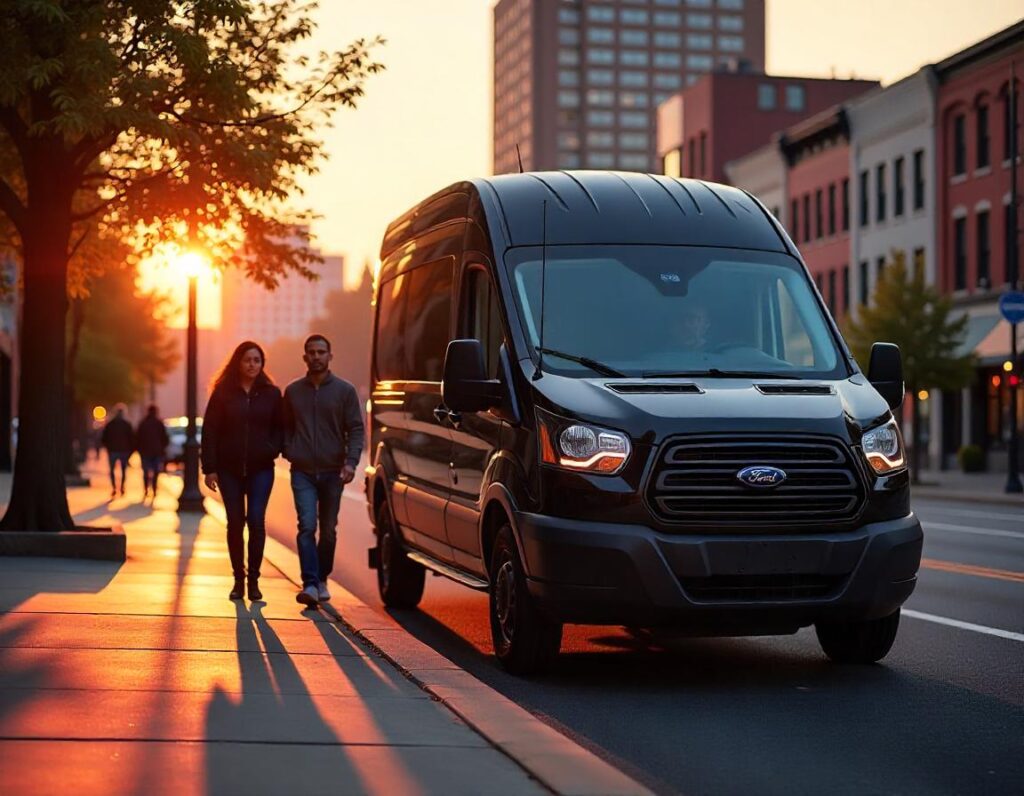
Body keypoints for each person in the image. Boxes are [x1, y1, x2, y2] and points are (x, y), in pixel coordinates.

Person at [283, 334, 365, 607]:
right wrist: (289, 450)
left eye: (321, 352)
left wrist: (351, 462)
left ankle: (321, 579)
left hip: (333, 472)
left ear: (330, 356)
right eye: (311, 352)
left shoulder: (345, 391)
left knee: (328, 530)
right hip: (302, 470)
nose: (316, 356)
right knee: (307, 526)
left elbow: (355, 428)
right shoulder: (293, 391)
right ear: (304, 357)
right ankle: (310, 583)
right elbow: (284, 427)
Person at [201, 341, 283, 602]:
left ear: (262, 364)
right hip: (229, 469)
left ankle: (254, 581)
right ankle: (238, 579)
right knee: (235, 523)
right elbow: (210, 430)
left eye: (257, 360)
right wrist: (210, 468)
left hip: (261, 468)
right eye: (248, 359)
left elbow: (280, 428)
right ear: (238, 361)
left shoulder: (271, 393)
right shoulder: (223, 392)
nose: (252, 365)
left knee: (256, 521)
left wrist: (271, 448)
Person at [136, 404, 170, 501]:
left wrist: (138, 449)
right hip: (156, 451)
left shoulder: (143, 423)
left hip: (145, 451)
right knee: (155, 472)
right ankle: (154, 490)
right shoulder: (159, 423)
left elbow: (138, 438)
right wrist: (162, 448)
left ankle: (146, 490)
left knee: (146, 472)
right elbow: (164, 438)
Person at [101, 404, 134, 499]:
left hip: (113, 450)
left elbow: (104, 438)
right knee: (123, 470)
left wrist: (108, 447)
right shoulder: (127, 425)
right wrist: (130, 450)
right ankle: (122, 487)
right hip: (123, 450)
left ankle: (114, 488)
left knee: (112, 470)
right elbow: (131, 438)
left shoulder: (110, 424)